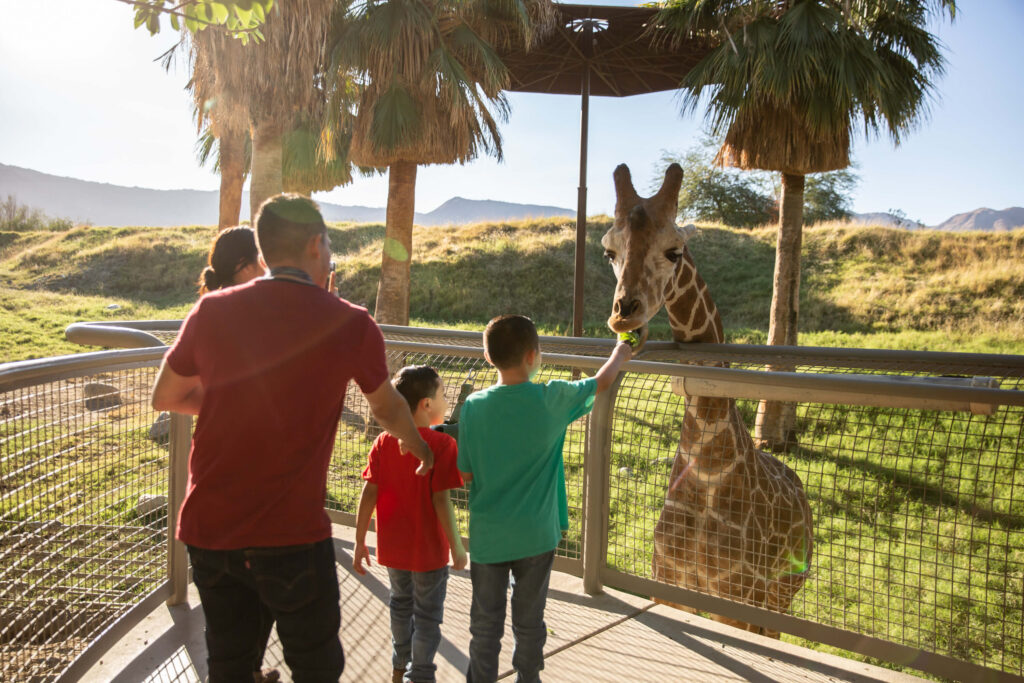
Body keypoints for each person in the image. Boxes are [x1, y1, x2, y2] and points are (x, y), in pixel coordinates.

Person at [151, 193, 434, 683]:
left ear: (264, 253)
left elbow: (166, 395)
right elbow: (387, 406)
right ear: (314, 245)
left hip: (210, 531)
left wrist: (233, 401)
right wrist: (420, 445)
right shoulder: (351, 322)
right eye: (329, 247)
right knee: (317, 667)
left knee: (230, 665)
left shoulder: (212, 310)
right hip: (291, 536)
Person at [458, 315, 633, 683]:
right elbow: (601, 381)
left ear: (489, 357)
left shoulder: (473, 405)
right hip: (536, 536)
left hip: (489, 537)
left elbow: (466, 475)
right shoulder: (552, 398)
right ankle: (528, 677)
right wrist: (621, 350)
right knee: (529, 620)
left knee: (485, 624)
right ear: (533, 356)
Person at [353, 365, 468, 683]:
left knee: (400, 606)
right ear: (426, 405)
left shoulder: (383, 442)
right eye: (443, 395)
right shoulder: (442, 445)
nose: (447, 402)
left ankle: (399, 666)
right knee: (428, 616)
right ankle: (420, 674)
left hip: (394, 550)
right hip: (429, 553)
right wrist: (457, 547)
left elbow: (369, 492)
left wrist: (360, 540)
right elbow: (441, 501)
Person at [198, 225, 264, 295]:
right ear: (245, 266)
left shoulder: (211, 301)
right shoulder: (256, 300)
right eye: (262, 259)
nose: (267, 266)